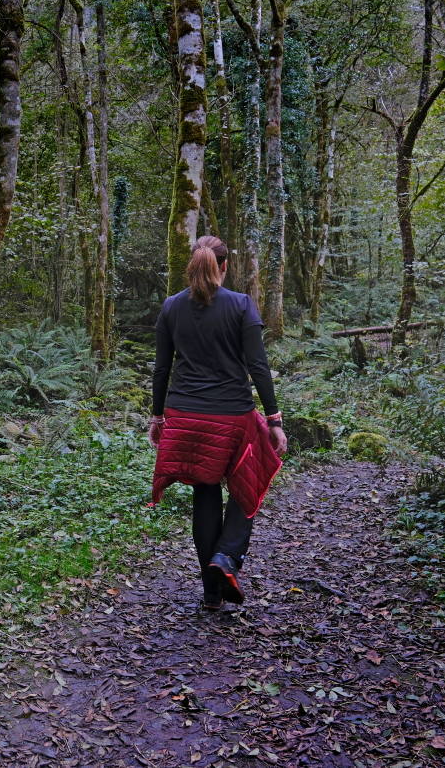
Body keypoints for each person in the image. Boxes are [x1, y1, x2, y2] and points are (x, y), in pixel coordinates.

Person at [148, 236, 287, 610]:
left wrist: (157, 416)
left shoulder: (172, 306)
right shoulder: (241, 305)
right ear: (224, 266)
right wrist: (274, 419)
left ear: (194, 263)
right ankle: (226, 557)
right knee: (250, 484)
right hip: (232, 415)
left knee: (205, 491)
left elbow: (162, 368)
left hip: (185, 415)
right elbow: (257, 366)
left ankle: (212, 593)